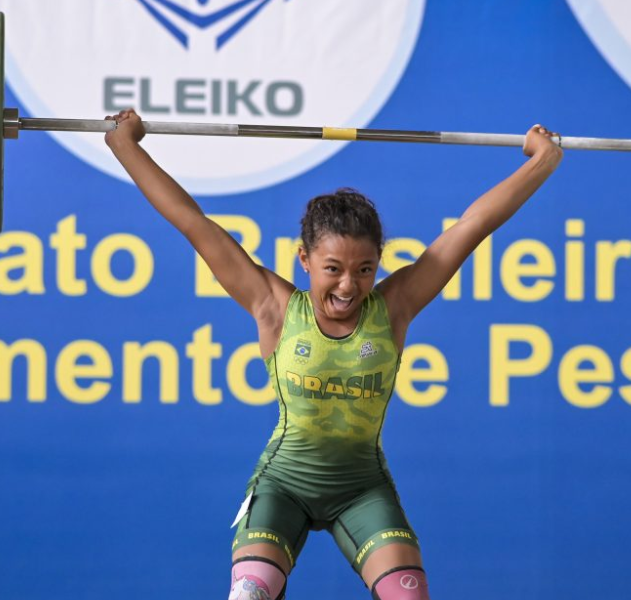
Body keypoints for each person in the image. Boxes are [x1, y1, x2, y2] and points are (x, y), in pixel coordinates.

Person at [104, 108, 562, 600]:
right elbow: (193, 223)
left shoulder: (394, 307)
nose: (349, 285)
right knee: (251, 594)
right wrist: (125, 144)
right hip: (283, 486)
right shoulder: (273, 307)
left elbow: (472, 227)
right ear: (305, 260)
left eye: (365, 269)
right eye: (333, 268)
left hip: (361, 489)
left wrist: (542, 161)